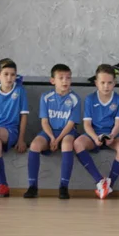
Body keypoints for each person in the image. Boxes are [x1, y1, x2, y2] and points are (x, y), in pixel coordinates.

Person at [23, 64, 81, 199]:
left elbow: (71, 123)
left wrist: (58, 139)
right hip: (49, 132)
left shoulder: (75, 98)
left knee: (67, 144)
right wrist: (51, 137)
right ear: (53, 81)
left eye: (68, 78)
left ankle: (63, 187)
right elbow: (44, 121)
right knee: (34, 145)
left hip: (66, 132)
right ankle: (32, 186)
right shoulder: (46, 97)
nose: (65, 81)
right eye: (61, 78)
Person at [74, 64, 119, 199]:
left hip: (112, 134)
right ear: (96, 83)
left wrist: (112, 136)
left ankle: (108, 185)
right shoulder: (90, 99)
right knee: (77, 143)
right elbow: (87, 124)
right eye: (102, 82)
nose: (106, 86)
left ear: (114, 83)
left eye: (109, 82)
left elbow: (118, 124)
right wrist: (94, 137)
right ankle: (99, 181)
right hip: (93, 134)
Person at [0, 58, 28, 197]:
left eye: (13, 74)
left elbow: (24, 117)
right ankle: (3, 185)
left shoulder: (20, 91)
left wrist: (21, 139)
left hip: (11, 131)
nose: (9, 78)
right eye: (6, 74)